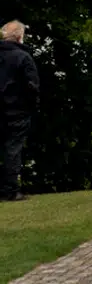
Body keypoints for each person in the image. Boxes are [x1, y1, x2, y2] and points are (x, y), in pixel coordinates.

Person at [0, 21, 40, 202]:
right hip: (17, 110)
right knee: (12, 150)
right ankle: (10, 190)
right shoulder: (23, 57)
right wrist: (30, 106)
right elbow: (32, 87)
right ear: (19, 36)